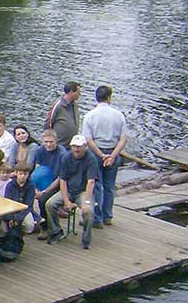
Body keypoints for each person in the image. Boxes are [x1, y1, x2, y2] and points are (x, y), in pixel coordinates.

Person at [82, 85, 129, 228]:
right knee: (109, 186)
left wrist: (102, 155)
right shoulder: (119, 115)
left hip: (96, 153)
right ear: (109, 98)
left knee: (96, 186)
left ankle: (97, 218)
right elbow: (123, 139)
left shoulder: (89, 115)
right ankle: (108, 215)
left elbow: (88, 140)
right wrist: (112, 156)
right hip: (113, 151)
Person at [45, 135, 100, 249]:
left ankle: (86, 239)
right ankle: (56, 231)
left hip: (83, 191)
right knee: (50, 204)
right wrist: (66, 201)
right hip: (69, 189)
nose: (76, 149)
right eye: (74, 146)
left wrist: (87, 202)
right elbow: (63, 180)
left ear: (85, 147)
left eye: (79, 147)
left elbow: (91, 182)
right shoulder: (66, 157)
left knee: (88, 211)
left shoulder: (91, 159)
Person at [29, 128, 68, 232]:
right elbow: (37, 169)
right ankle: (31, 220)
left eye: (51, 142)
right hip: (42, 182)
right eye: (46, 142)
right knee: (24, 194)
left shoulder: (62, 154)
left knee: (43, 200)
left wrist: (45, 191)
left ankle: (46, 227)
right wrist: (36, 187)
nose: (49, 144)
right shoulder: (40, 150)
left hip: (56, 184)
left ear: (56, 141)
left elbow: (61, 178)